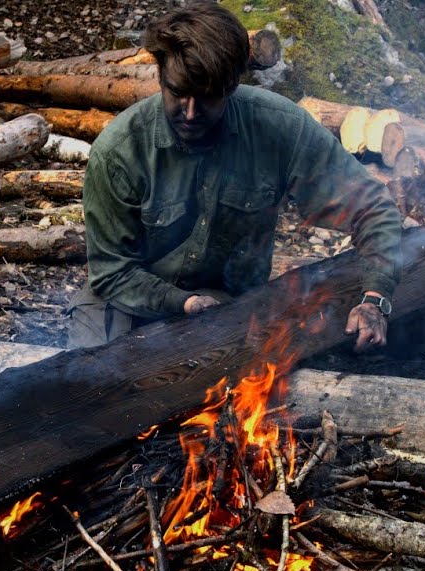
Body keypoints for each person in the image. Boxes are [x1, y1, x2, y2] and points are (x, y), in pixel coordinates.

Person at [67, 1, 402, 352]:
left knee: (232, 394)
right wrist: (183, 303)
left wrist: (376, 298)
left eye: (208, 98)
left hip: (222, 303)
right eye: (178, 94)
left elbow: (372, 208)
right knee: (93, 383)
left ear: (231, 86)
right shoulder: (120, 151)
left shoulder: (279, 129)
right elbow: (111, 273)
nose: (191, 113)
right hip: (122, 297)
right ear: (161, 77)